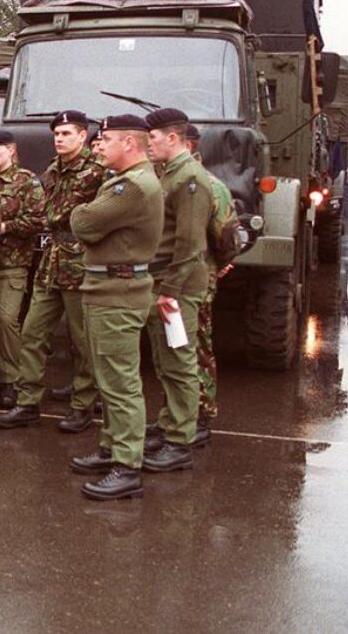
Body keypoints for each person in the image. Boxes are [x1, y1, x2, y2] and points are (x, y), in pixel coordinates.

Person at [0, 110, 105, 432]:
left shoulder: (97, 173)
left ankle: (83, 405)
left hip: (81, 261)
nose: (59, 139)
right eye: (57, 134)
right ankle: (27, 402)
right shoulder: (53, 170)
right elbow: (46, 215)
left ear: (83, 136)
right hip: (52, 261)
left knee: (82, 341)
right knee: (32, 333)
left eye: (67, 133)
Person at [68, 114, 163, 500]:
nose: (99, 145)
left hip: (117, 290)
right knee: (108, 377)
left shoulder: (133, 187)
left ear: (129, 144)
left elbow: (84, 222)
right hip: (106, 286)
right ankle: (112, 448)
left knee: (120, 382)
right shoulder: (124, 182)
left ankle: (127, 466)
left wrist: (79, 213)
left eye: (106, 139)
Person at [141, 108, 213, 472]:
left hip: (178, 288)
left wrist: (169, 291)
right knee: (164, 359)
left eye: (151, 138)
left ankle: (180, 440)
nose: (147, 144)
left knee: (180, 360)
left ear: (172, 138)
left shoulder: (189, 179)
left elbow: (190, 244)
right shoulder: (171, 174)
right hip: (164, 283)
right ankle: (171, 423)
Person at [0, 130, 45, 408]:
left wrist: (6, 227)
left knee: (7, 320)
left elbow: (39, 219)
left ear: (12, 151)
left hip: (12, 261)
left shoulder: (26, 181)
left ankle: (13, 380)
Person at [184, 124, 236, 442]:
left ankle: (202, 414)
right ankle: (178, 414)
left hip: (198, 280)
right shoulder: (170, 182)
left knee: (197, 347)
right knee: (176, 348)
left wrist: (216, 265)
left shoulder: (210, 186)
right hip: (175, 281)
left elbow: (228, 239)